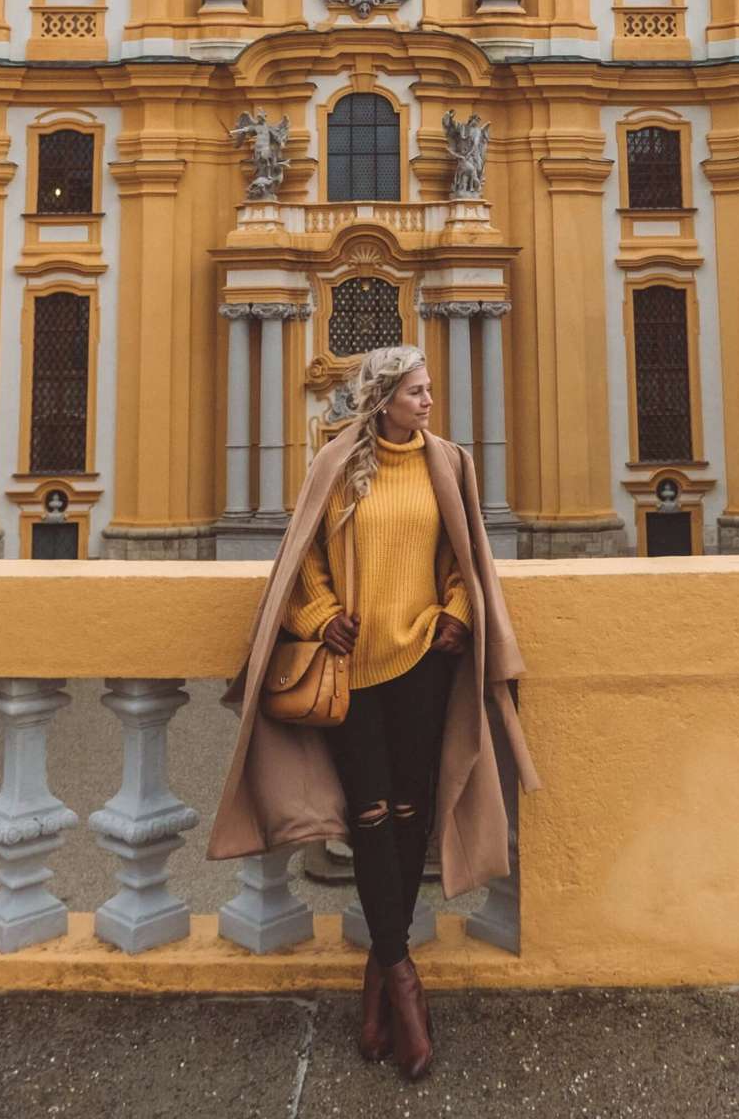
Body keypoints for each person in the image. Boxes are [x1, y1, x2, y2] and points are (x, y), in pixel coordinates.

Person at [209, 344, 538, 1082]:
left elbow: (465, 556)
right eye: (417, 391)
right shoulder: (334, 463)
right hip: (351, 670)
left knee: (413, 814)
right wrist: (321, 612)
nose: (429, 402)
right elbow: (301, 561)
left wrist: (457, 609)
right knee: (371, 815)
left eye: (429, 391)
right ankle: (405, 988)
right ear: (384, 398)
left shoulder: (446, 463)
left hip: (423, 660)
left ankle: (382, 977)